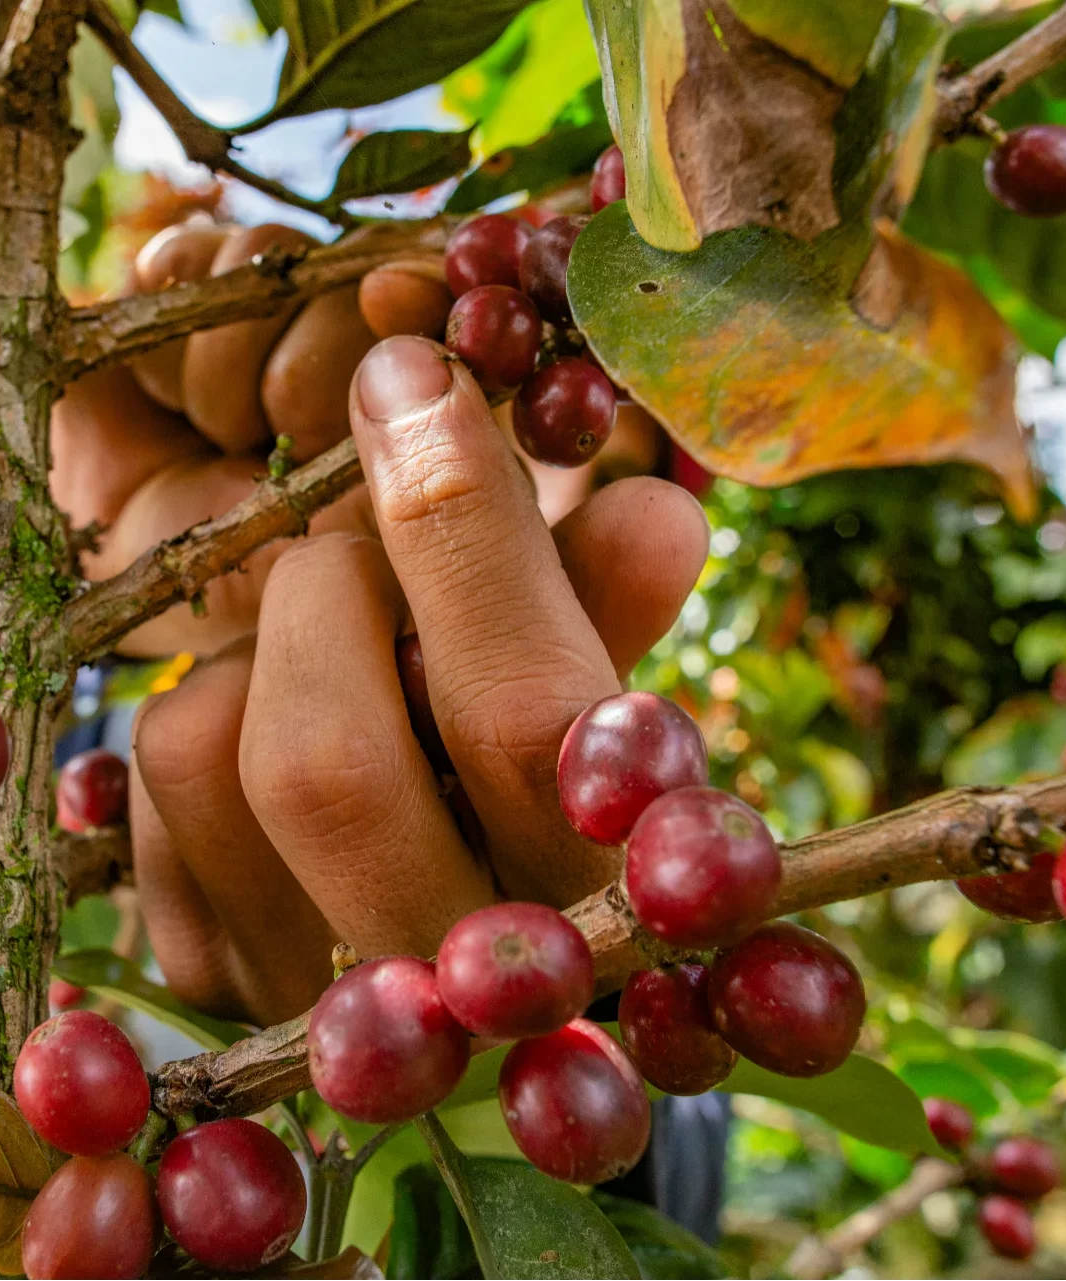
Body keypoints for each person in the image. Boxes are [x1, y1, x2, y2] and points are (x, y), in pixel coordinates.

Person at [52, 221, 710, 1026]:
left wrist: (592, 1002)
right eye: (544, 433)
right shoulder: (77, 710)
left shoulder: (566, 768)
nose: (546, 494)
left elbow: (682, 1138)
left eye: (598, 468)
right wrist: (69, 546)